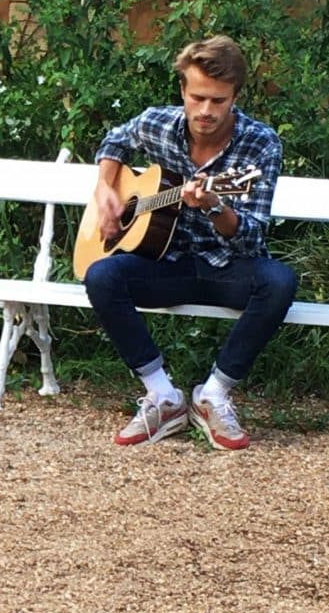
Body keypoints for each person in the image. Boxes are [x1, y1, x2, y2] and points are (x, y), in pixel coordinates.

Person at [84, 35, 297, 451]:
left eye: (218, 101)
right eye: (197, 97)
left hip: (228, 267)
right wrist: (104, 189)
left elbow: (252, 235)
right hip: (167, 263)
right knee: (101, 276)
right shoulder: (157, 123)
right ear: (182, 88)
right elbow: (114, 141)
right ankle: (162, 395)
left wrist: (217, 206)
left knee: (280, 281)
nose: (205, 111)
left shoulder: (261, 143)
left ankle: (212, 395)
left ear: (235, 95)